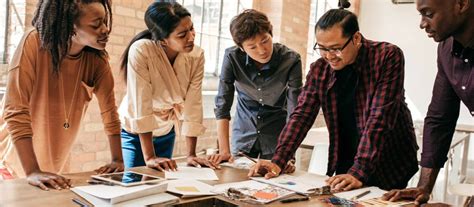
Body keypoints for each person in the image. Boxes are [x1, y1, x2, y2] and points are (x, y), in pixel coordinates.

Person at [248, 8, 419, 191]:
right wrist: (278, 160)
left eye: (336, 49)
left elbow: (380, 118)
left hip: (389, 159)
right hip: (348, 158)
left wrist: (359, 171)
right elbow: (301, 116)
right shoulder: (320, 69)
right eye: (322, 48)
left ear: (356, 38)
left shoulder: (387, 56)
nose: (329, 56)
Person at [0, 0, 123, 190]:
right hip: (13, 163)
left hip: (53, 165)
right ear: (71, 25)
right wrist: (32, 171)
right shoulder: (34, 43)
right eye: (96, 24)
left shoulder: (97, 61)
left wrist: (117, 160)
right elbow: (15, 111)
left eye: (105, 21)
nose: (105, 29)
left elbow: (110, 112)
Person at [383, 0, 474, 205]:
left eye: (428, 14)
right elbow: (440, 118)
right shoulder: (445, 49)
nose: (422, 24)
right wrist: (424, 187)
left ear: (461, 4)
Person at [119, 1, 217, 171]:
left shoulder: (197, 55)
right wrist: (149, 157)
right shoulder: (141, 51)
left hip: (166, 129)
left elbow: (193, 103)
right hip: (135, 132)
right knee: (135, 181)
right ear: (163, 40)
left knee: (162, 182)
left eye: (191, 29)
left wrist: (191, 154)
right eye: (182, 35)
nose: (192, 37)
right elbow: (141, 104)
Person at [207, 9, 303, 169]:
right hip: (244, 130)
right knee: (237, 180)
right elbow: (223, 105)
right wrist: (224, 150)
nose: (262, 50)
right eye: (252, 46)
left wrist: (287, 155)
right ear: (242, 48)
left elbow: (296, 111)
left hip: (277, 134)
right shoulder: (232, 57)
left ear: (271, 34)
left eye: (265, 40)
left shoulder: (291, 60)